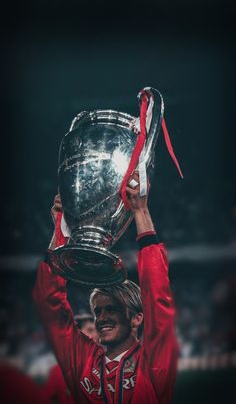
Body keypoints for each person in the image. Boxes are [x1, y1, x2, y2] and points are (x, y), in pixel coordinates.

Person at [33, 172, 178, 403]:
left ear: (137, 318)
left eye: (111, 309)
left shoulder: (152, 362)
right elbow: (48, 302)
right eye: (98, 311)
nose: (101, 318)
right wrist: (62, 230)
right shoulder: (83, 361)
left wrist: (140, 212)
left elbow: (157, 295)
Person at [42, 315, 98, 404]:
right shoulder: (58, 371)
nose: (95, 335)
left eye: (97, 331)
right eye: (90, 330)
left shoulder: (108, 367)